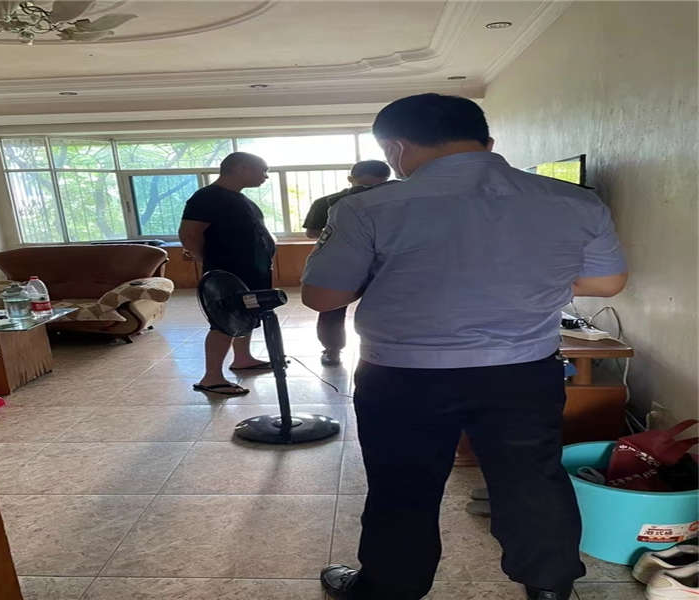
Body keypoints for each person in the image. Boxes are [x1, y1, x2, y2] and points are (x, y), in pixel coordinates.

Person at [301, 93, 628, 600]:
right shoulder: (576, 201)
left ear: (396, 148)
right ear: (488, 144)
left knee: (402, 482)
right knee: (532, 479)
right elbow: (607, 283)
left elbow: (322, 296)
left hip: (403, 375)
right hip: (522, 371)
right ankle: (549, 587)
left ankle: (390, 587)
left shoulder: (366, 208)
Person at [179, 152, 276, 396]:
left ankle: (243, 358)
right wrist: (209, 262)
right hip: (227, 274)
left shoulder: (239, 198)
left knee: (247, 315)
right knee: (224, 322)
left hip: (250, 273)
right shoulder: (207, 197)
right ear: (242, 168)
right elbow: (189, 234)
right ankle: (212, 378)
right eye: (262, 170)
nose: (266, 176)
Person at [303, 160, 392, 366]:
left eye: (377, 186)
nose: (369, 191)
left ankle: (377, 349)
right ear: (350, 179)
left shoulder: (395, 202)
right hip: (348, 261)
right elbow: (311, 233)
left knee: (381, 306)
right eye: (365, 185)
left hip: (373, 262)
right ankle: (333, 349)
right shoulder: (328, 202)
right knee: (332, 308)